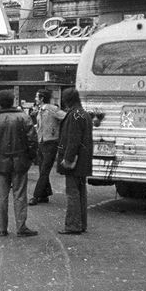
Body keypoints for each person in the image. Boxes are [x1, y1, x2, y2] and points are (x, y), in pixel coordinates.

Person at [0, 89, 38, 237]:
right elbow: (32, 141)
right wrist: (29, 158)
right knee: (20, 195)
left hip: (0, 163)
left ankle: (2, 228)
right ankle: (21, 227)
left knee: (1, 196)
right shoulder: (24, 118)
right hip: (20, 162)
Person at [56, 87, 93, 235]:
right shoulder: (83, 114)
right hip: (84, 160)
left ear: (67, 100)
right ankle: (81, 223)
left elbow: (73, 140)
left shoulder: (74, 115)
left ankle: (73, 225)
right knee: (81, 192)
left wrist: (68, 159)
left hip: (75, 161)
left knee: (72, 193)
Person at [30, 89, 66, 206]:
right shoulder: (40, 110)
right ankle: (44, 195)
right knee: (42, 170)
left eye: (36, 97)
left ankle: (35, 196)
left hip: (50, 143)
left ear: (41, 98)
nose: (35, 99)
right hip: (41, 142)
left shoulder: (51, 109)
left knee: (44, 170)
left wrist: (57, 131)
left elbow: (65, 117)